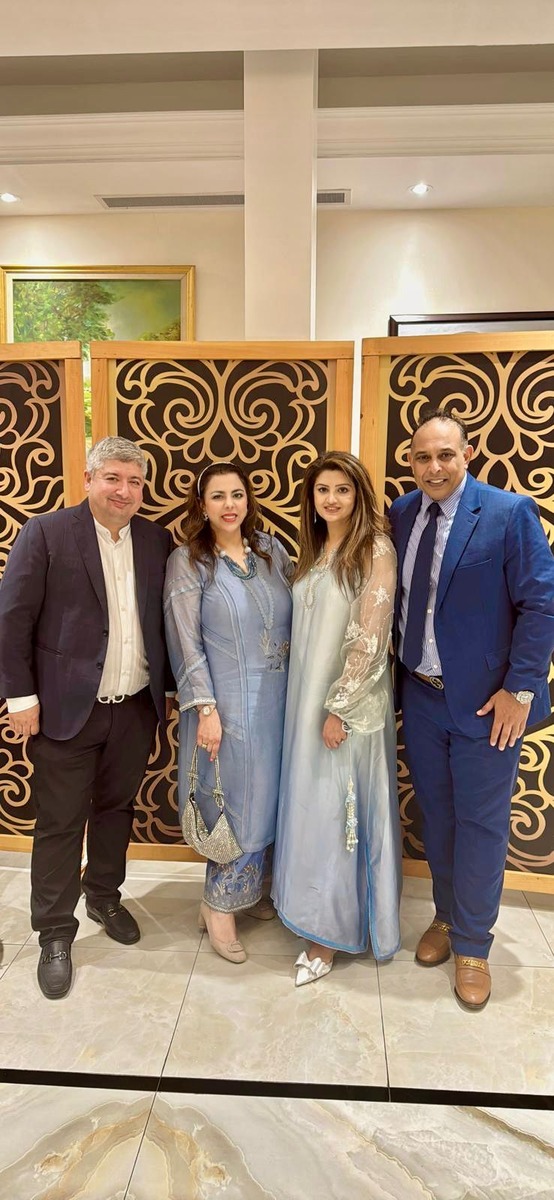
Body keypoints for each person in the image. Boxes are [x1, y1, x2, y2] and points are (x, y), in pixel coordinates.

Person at [389, 407, 554, 1011]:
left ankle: (474, 945)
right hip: (421, 695)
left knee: (481, 824)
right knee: (437, 818)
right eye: (422, 457)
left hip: (490, 704)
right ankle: (445, 916)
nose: (433, 467)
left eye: (445, 455)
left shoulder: (509, 513)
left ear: (467, 454)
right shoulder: (401, 513)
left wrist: (521, 689)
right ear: (411, 462)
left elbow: (541, 604)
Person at [0, 437, 174, 999]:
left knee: (116, 811)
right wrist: (20, 698)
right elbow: (11, 619)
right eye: (113, 478)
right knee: (59, 822)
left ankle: (103, 895)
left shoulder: (156, 540)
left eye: (134, 482)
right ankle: (55, 932)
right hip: (65, 711)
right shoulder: (46, 533)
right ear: (89, 479)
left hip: (135, 707)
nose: (124, 491)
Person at [272, 451, 402, 987]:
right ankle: (304, 906)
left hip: (346, 706)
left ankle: (328, 933)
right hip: (302, 700)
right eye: (323, 490)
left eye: (342, 490)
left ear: (359, 495)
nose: (332, 499)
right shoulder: (312, 549)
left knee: (334, 810)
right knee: (309, 803)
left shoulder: (374, 549)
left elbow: (371, 638)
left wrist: (340, 708)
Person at [163, 461, 293, 964]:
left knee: (271, 797)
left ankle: (248, 890)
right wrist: (206, 708)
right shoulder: (189, 561)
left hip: (278, 701)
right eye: (217, 496)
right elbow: (185, 641)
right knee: (235, 800)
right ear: (202, 505)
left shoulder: (271, 551)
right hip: (224, 705)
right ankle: (217, 906)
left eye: (236, 494)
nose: (229, 505)